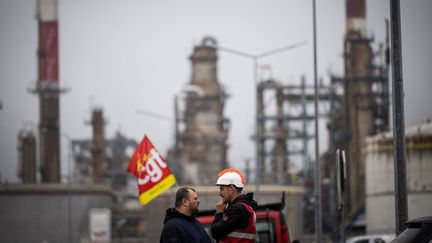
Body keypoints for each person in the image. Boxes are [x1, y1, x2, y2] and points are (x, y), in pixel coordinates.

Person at [211, 168, 258, 243]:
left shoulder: (238, 209)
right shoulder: (243, 207)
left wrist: (219, 212)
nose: (220, 193)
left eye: (222, 189)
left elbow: (216, 232)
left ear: (231, 189)